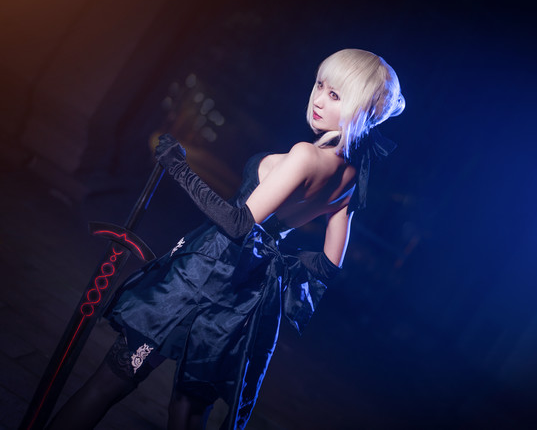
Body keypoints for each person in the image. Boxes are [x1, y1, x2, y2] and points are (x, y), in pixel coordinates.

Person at [46, 48, 405, 430]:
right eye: (320, 85)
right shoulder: (352, 176)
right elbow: (330, 266)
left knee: (109, 383)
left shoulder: (305, 155)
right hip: (242, 297)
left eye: (335, 95)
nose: (318, 100)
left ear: (362, 110)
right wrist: (277, 258)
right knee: (187, 412)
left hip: (201, 275)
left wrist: (177, 168)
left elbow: (237, 224)